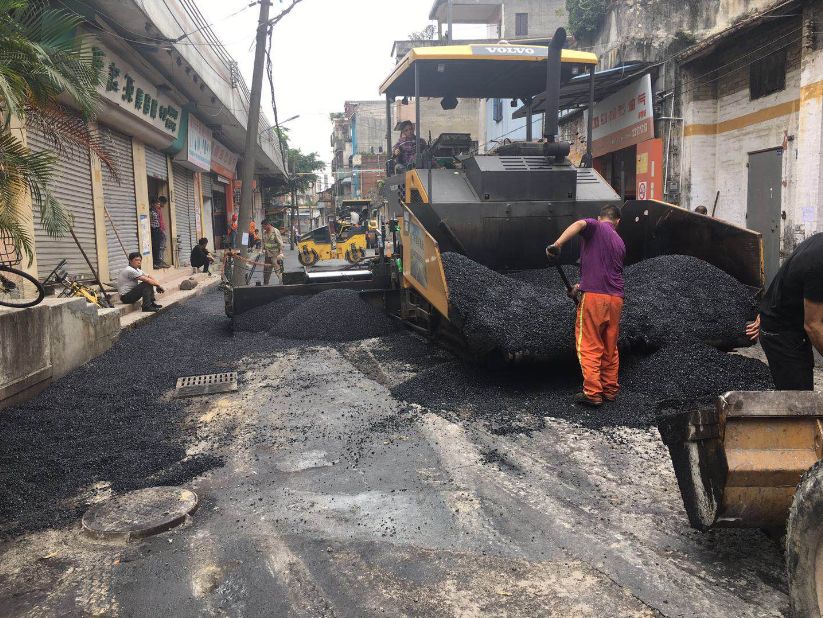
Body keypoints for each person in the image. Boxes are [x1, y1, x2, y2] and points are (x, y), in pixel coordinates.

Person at [546, 205, 626, 407]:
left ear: (601, 218)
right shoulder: (620, 242)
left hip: (595, 299)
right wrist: (579, 288)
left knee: (589, 345)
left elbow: (579, 224)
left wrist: (557, 245)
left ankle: (592, 393)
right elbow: (605, 272)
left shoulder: (595, 226)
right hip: (616, 299)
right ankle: (609, 390)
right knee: (610, 346)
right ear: (618, 222)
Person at [746, 233, 823, 390]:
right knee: (798, 400)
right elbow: (813, 326)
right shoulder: (818, 264)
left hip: (792, 320)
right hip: (782, 334)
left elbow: (788, 277)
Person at [261, 220, 284, 285]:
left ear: (268, 225)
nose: (263, 228)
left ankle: (282, 283)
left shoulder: (275, 232)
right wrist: (262, 249)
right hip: (267, 254)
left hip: (275, 255)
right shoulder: (265, 232)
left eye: (264, 226)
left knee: (278, 270)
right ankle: (265, 284)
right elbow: (263, 241)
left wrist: (281, 253)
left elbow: (280, 243)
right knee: (266, 271)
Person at [150, 197, 169, 269]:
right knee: (156, 247)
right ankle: (157, 262)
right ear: (153, 204)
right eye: (157, 203)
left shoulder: (157, 210)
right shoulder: (152, 211)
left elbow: (159, 221)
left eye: (159, 203)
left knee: (159, 246)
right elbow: (151, 221)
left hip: (158, 229)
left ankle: (159, 261)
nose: (159, 205)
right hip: (155, 230)